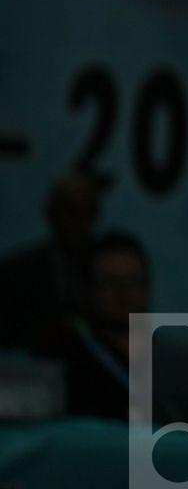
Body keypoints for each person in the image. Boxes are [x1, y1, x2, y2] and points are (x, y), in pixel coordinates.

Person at [0, 169, 104, 356]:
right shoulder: (16, 274)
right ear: (51, 212)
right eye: (70, 210)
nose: (78, 221)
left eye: (87, 212)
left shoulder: (109, 272)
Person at [58, 230, 149, 420]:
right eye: (110, 283)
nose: (124, 294)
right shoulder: (70, 369)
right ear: (89, 290)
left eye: (133, 282)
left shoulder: (172, 364)